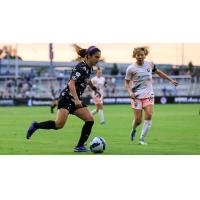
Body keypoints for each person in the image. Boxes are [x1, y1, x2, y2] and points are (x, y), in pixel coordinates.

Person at [26, 45, 102, 152]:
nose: (98, 59)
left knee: (90, 119)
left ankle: (79, 146)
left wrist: (94, 88)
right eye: (96, 57)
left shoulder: (90, 68)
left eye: (99, 57)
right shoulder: (80, 67)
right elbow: (71, 84)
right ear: (88, 56)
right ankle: (36, 125)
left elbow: (87, 79)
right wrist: (76, 99)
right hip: (66, 98)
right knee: (58, 125)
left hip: (75, 100)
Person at [125, 46, 178, 145]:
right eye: (138, 55)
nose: (140, 56)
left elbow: (159, 73)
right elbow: (126, 83)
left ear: (145, 55)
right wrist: (130, 92)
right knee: (138, 120)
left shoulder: (150, 64)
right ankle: (134, 129)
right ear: (135, 56)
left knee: (149, 115)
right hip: (136, 97)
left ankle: (141, 139)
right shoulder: (131, 68)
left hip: (149, 95)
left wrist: (170, 80)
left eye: (142, 55)